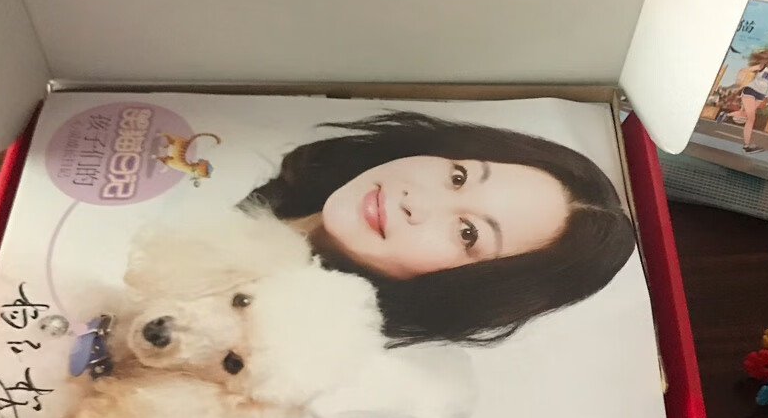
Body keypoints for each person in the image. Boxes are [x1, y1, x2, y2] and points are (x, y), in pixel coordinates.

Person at [243, 111, 636, 347]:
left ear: (468, 289)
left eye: (468, 233)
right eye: (459, 176)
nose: (415, 202)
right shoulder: (249, 159)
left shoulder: (271, 351)